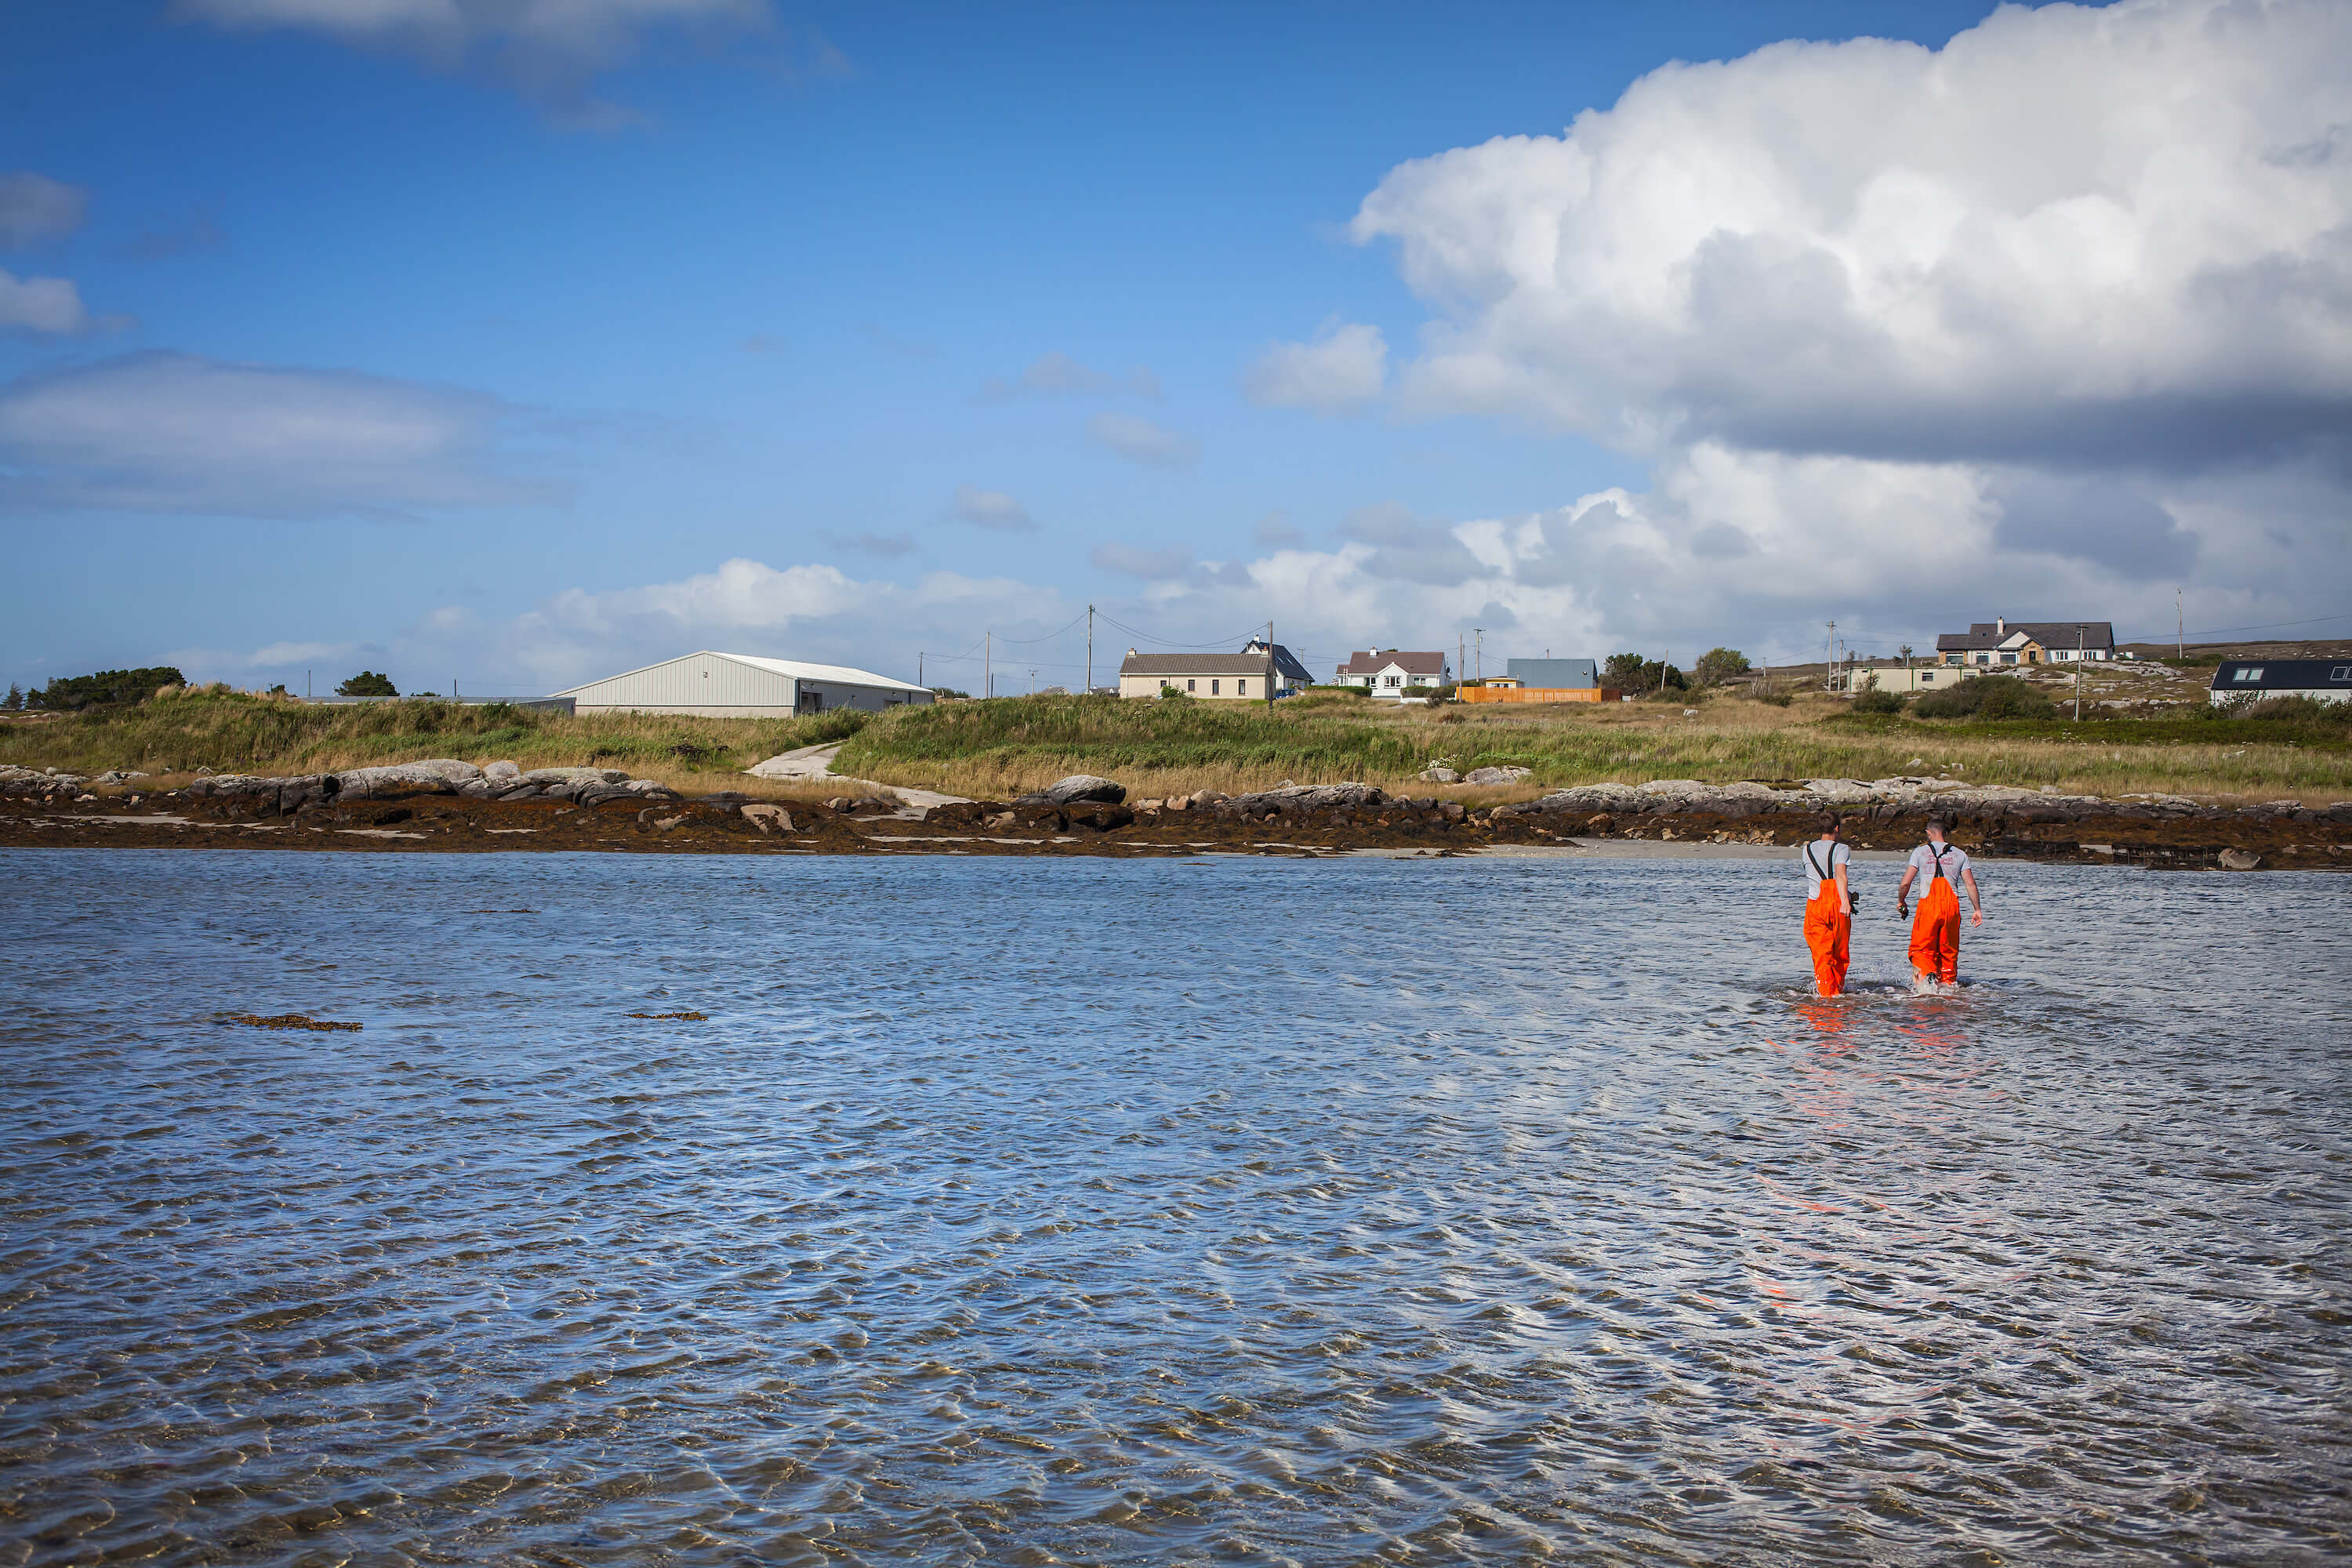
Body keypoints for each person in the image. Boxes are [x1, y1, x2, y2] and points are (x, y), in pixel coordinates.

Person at [1896, 815, 1984, 992]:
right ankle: (1948, 988)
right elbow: (1971, 884)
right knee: (1948, 951)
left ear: (1929, 833)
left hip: (1928, 906)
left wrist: (1901, 901)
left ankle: (1926, 982)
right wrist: (1977, 910)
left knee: (1922, 949)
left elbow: (1906, 882)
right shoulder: (1960, 854)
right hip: (1952, 907)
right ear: (1945, 833)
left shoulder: (1920, 852)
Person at [1800, 811, 1852, 997]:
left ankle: (1826, 996)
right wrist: (1846, 901)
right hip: (1838, 904)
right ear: (1837, 828)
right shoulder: (1842, 848)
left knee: (1822, 955)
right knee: (1840, 955)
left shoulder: (1806, 849)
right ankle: (1836, 994)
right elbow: (1840, 875)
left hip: (1815, 905)